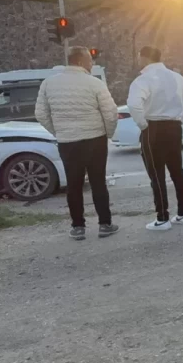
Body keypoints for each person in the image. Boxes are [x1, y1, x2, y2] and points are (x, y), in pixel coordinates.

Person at [35, 47, 119, 241]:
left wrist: (58, 131)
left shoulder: (49, 83)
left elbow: (40, 114)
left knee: (74, 184)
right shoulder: (94, 83)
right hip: (94, 139)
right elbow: (110, 112)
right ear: (81, 62)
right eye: (90, 60)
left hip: (67, 142)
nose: (92, 64)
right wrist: (108, 133)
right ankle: (105, 224)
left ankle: (78, 226)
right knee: (98, 182)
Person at [127, 45, 183, 231]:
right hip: (174, 126)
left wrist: (143, 125)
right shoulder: (178, 78)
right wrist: (181, 119)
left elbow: (134, 105)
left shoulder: (143, 80)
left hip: (153, 127)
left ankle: (163, 218)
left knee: (156, 174)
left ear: (144, 57)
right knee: (177, 170)